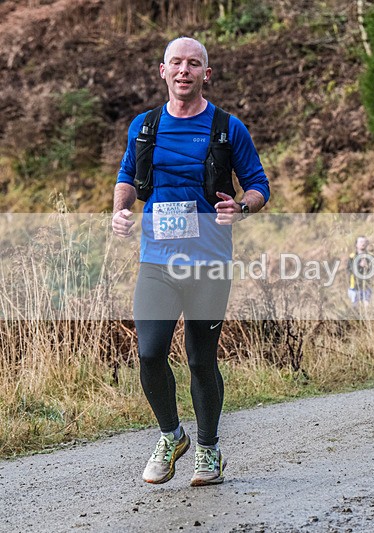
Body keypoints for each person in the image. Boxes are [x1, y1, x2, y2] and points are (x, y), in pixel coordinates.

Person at [111, 37, 269, 486]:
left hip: (209, 263)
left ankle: (208, 449)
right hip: (157, 261)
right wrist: (120, 209)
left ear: (206, 74)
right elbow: (127, 176)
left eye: (194, 64)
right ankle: (171, 435)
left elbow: (258, 184)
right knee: (149, 352)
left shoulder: (227, 127)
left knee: (201, 360)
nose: (184, 70)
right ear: (163, 71)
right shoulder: (144, 126)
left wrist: (242, 207)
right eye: (176, 63)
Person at [347, 235, 373, 308]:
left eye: (364, 242)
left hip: (367, 286)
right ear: (356, 244)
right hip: (355, 287)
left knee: (367, 307)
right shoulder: (352, 257)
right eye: (361, 242)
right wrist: (359, 266)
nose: (363, 244)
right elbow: (350, 270)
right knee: (356, 308)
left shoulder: (370, 257)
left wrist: (368, 267)